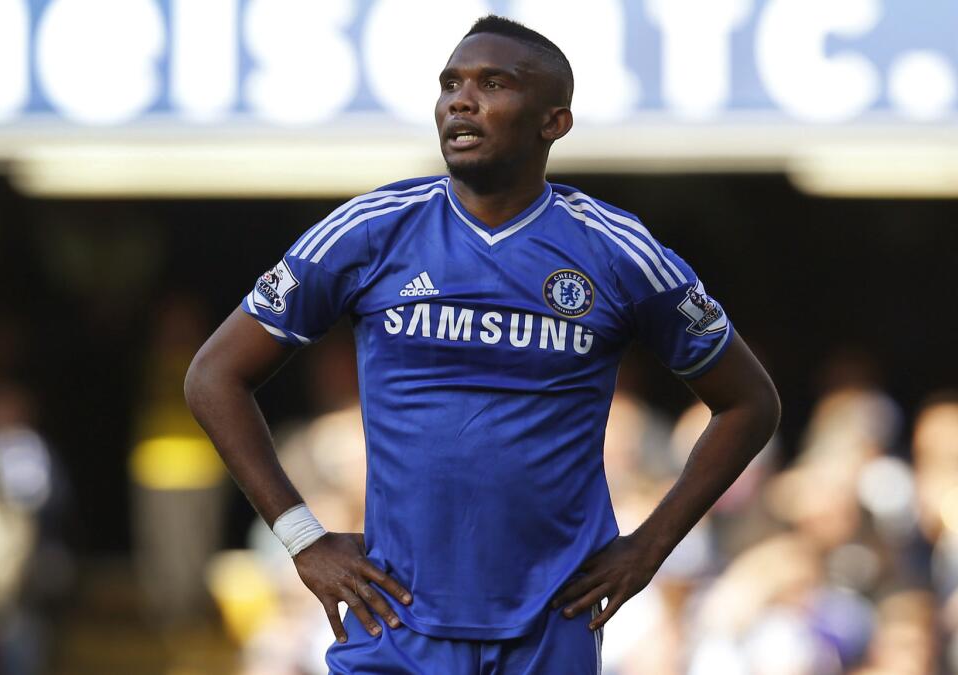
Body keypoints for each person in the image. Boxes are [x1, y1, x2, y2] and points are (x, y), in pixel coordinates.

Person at [184, 15, 780, 674]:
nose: (461, 101)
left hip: (552, 624)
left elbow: (750, 402)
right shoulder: (369, 230)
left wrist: (649, 547)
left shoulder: (617, 250)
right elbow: (213, 375)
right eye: (450, 85)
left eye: (493, 84)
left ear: (554, 121)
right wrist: (303, 537)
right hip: (395, 622)